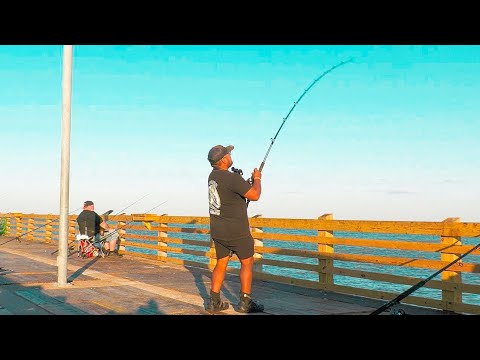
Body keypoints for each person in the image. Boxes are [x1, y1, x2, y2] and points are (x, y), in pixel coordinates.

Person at [206, 144, 264, 313]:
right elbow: (255, 195)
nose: (230, 155)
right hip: (237, 231)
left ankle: (214, 302)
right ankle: (245, 303)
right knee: (247, 263)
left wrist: (244, 184)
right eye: (228, 153)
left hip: (218, 230)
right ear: (223, 160)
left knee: (221, 262)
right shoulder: (232, 178)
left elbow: (229, 193)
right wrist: (258, 179)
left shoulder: (212, 177)